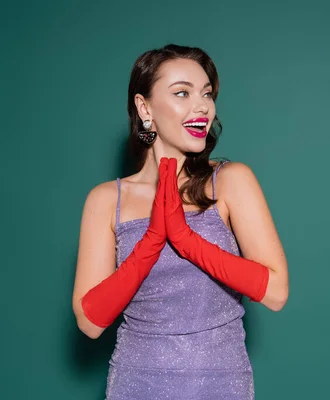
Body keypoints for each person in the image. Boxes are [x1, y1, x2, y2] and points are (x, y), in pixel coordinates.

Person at [71, 43, 289, 399]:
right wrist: (152, 241)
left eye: (206, 93)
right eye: (182, 93)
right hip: (136, 384)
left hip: (223, 386)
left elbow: (277, 293)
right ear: (145, 108)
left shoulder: (231, 181)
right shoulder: (107, 200)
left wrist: (187, 242)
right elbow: (90, 322)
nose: (201, 105)